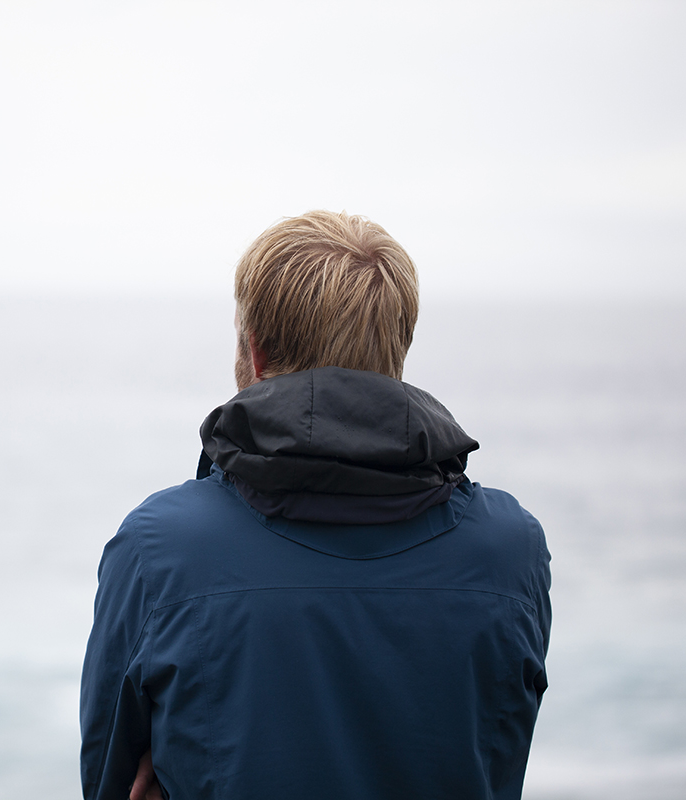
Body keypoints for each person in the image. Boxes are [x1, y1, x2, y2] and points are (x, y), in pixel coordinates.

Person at [79, 211, 552, 800]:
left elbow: (108, 780)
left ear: (255, 352)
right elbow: (496, 766)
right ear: (396, 354)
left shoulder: (161, 549)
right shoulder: (511, 551)